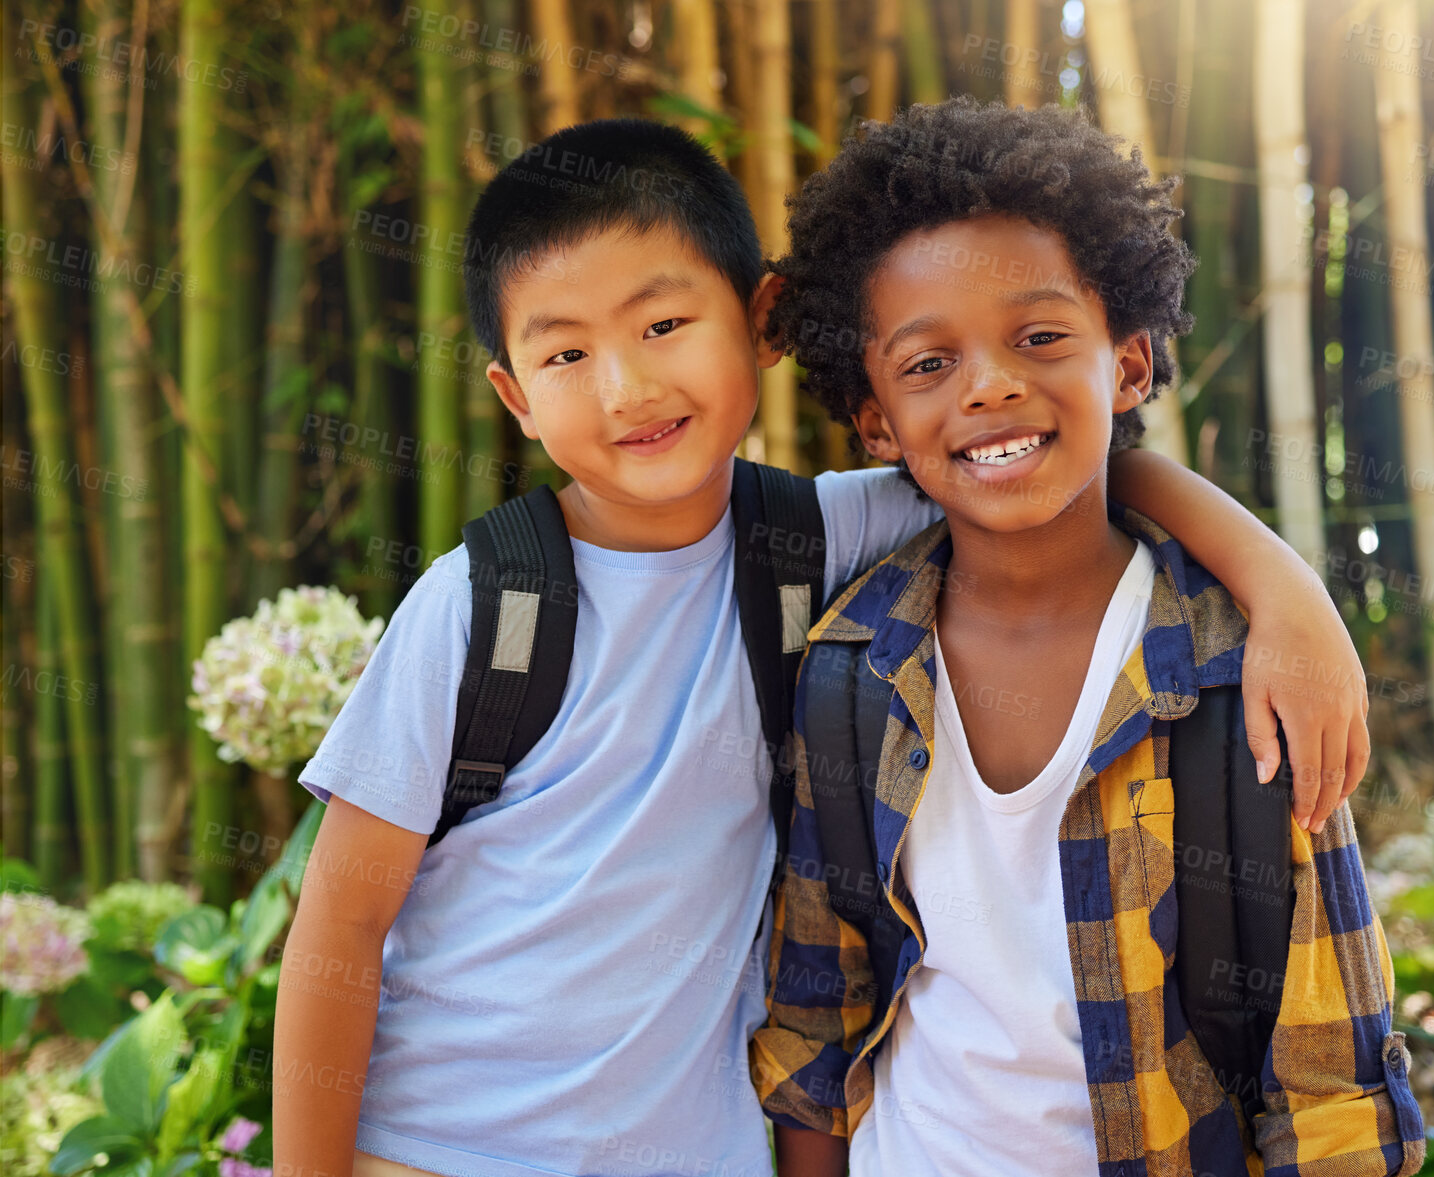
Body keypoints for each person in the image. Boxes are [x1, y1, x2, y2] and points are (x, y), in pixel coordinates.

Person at [272, 115, 1375, 1177]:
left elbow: (1041, 461)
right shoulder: (481, 603)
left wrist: (1287, 598)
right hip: (435, 1151)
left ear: (762, 319)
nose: (629, 386)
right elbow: (340, 930)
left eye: (663, 327)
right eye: (566, 353)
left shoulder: (816, 538)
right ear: (512, 396)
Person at [753, 97, 1425, 1177]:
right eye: (928, 364)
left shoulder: (1238, 676)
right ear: (874, 418)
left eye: (1039, 337)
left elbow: (1332, 1087)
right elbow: (814, 1028)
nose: (991, 383)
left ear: (1127, 364)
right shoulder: (845, 668)